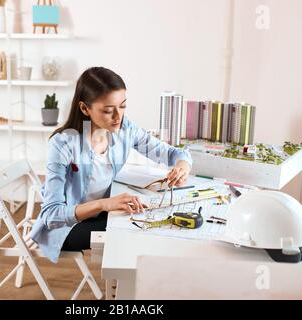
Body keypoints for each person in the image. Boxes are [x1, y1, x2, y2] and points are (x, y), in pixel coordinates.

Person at [30, 67, 193, 263]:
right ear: (85, 109)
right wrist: (105, 204)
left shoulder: (125, 130)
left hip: (101, 214)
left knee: (145, 220)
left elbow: (174, 154)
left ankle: (127, 285)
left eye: (122, 106)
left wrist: (182, 166)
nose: (118, 116)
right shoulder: (64, 144)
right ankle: (126, 286)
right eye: (108, 110)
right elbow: (51, 215)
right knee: (134, 232)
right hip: (66, 228)